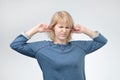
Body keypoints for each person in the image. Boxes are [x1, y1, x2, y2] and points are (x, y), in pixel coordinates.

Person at [10, 11, 107, 80]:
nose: (64, 30)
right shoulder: (42, 48)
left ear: (70, 29)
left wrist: (85, 30)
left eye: (67, 27)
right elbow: (16, 45)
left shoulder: (79, 47)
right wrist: (36, 29)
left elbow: (102, 41)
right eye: (60, 27)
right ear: (53, 27)